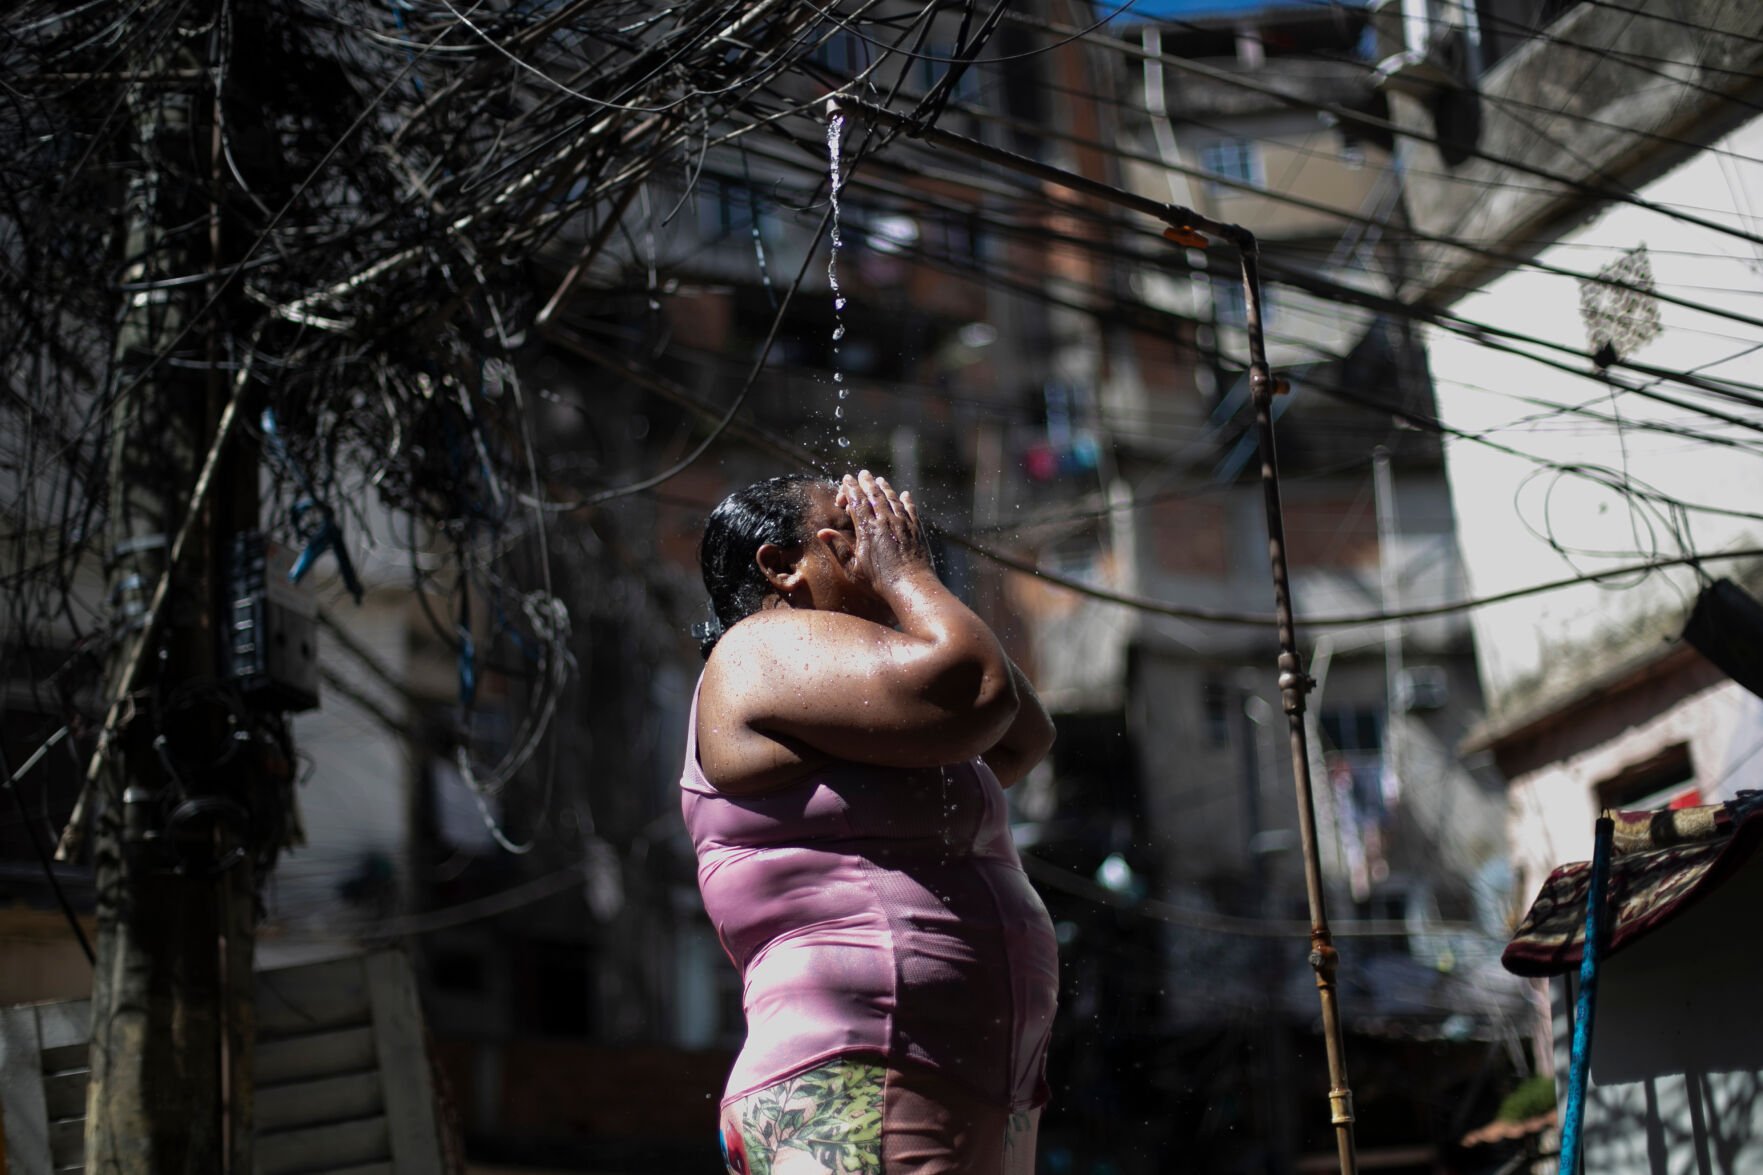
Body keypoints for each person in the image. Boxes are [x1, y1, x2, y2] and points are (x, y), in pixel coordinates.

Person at [682, 470, 1059, 1174]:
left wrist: (903, 595)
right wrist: (906, 576)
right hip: (850, 1072)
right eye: (853, 527)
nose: (884, 538)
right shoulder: (757, 648)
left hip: (966, 1084)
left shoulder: (878, 714)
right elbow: (981, 690)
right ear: (780, 565)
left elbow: (1021, 734)